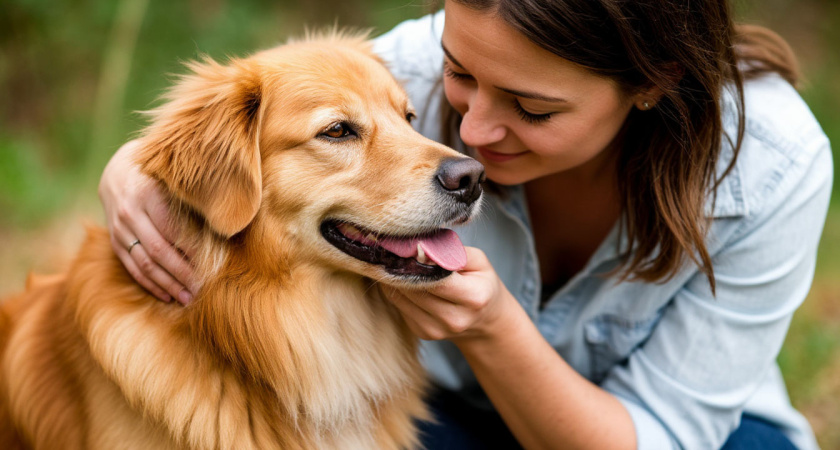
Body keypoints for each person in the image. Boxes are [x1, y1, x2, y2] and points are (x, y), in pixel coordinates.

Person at [99, 0, 832, 448]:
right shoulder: (419, 59)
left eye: (532, 109)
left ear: (651, 83)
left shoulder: (773, 167)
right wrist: (132, 166)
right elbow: (249, 114)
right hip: (445, 415)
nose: (470, 136)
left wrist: (491, 328)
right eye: (456, 78)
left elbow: (662, 437)